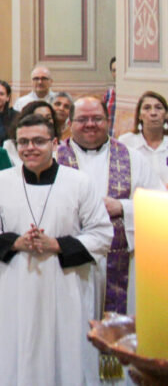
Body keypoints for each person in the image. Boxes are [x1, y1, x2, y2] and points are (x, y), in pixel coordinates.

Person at [0, 113, 113, 386]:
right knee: (16, 354)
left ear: (56, 143)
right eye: (23, 142)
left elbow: (102, 234)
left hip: (64, 287)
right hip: (15, 287)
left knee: (64, 359)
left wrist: (57, 244)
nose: (30, 148)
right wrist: (17, 242)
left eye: (38, 141)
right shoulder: (0, 183)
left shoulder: (79, 182)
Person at [56, 96, 163, 320]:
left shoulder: (133, 159)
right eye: (83, 119)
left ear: (108, 121)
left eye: (97, 118)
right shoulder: (54, 160)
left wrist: (123, 207)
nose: (90, 124)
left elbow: (160, 204)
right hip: (70, 261)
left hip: (121, 262)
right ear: (70, 123)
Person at [118, 91, 168, 185]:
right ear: (140, 115)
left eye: (159, 108)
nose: (153, 113)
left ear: (166, 115)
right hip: (137, 197)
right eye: (147, 108)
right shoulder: (126, 142)